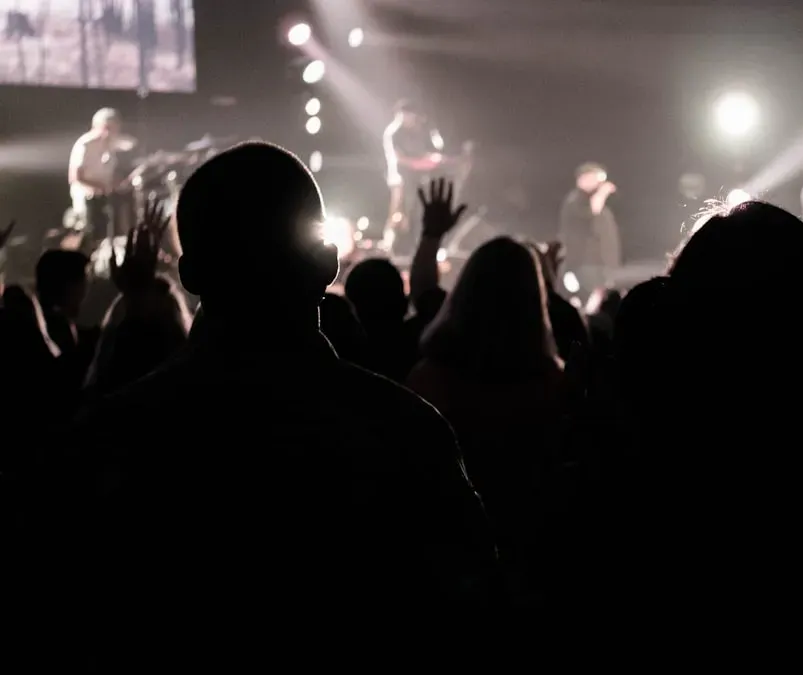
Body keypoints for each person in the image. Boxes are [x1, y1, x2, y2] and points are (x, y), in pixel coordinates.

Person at [24, 143, 497, 670]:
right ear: (327, 261)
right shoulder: (407, 435)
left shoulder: (104, 442)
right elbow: (472, 619)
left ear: (189, 275)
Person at [382, 100, 445, 253]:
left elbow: (429, 150)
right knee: (399, 212)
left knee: (414, 211)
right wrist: (420, 163)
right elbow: (400, 158)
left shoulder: (418, 130)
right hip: (400, 179)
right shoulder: (394, 132)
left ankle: (410, 245)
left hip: (415, 178)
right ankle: (391, 246)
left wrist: (428, 159)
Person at [68, 108, 136, 247]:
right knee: (91, 236)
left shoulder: (110, 144)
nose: (112, 132)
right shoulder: (85, 144)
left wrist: (118, 183)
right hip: (87, 198)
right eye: (109, 128)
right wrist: (101, 187)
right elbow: (75, 177)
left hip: (106, 196)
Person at [558, 162, 621, 293]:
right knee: (590, 296)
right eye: (595, 178)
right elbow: (590, 213)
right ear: (582, 179)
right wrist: (602, 193)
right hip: (585, 263)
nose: (599, 183)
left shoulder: (600, 204)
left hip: (602, 263)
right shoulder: (575, 201)